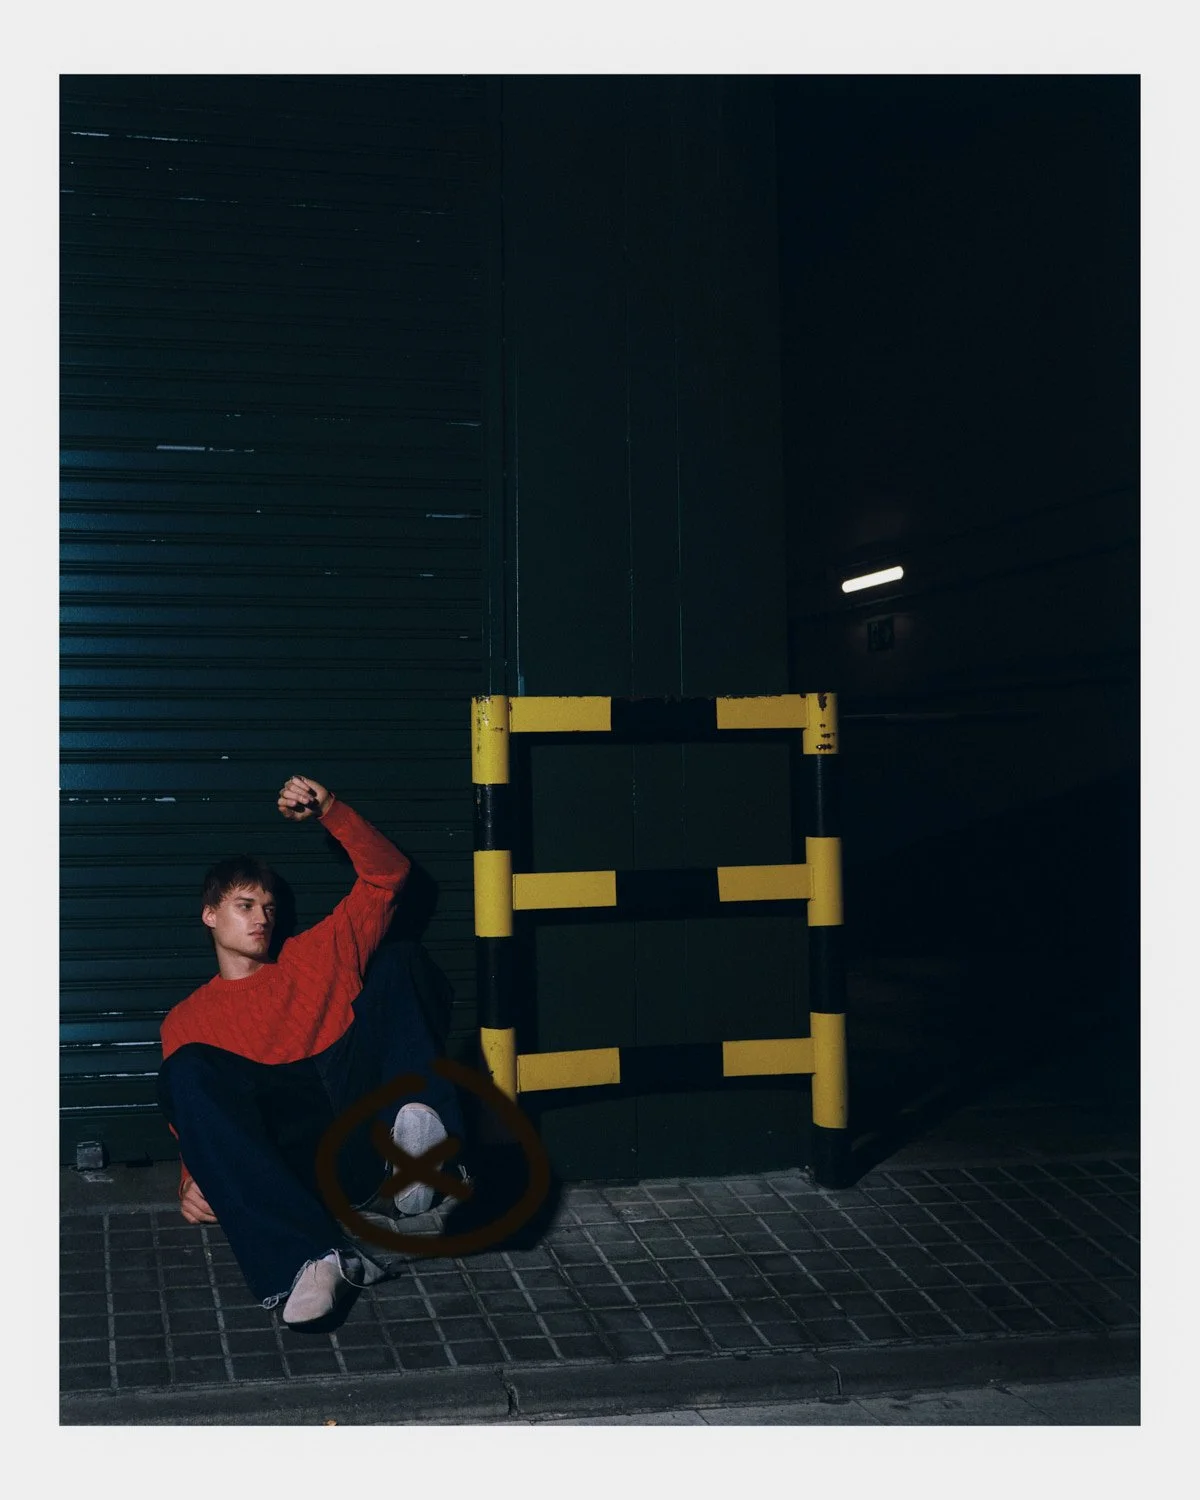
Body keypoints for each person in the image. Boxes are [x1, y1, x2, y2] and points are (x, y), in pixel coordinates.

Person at [156, 774, 466, 1330]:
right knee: (186, 1068)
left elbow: (389, 877)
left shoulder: (314, 954)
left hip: (361, 1124)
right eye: (244, 905)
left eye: (269, 908)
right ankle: (309, 1260)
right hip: (296, 1156)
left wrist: (331, 810)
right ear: (209, 916)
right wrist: (191, 1177)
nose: (261, 918)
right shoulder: (188, 1018)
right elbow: (194, 1119)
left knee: (397, 962)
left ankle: (417, 1155)